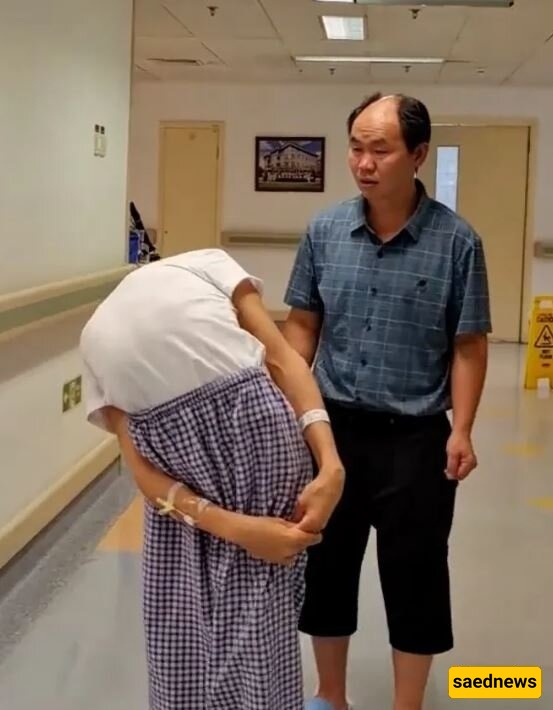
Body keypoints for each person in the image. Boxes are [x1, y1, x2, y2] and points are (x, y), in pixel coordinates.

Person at [282, 93, 491, 710]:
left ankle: (407, 705)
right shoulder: (324, 231)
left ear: (418, 154)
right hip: (333, 435)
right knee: (326, 567)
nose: (364, 163)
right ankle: (330, 697)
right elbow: (303, 326)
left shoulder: (457, 243)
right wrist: (290, 410)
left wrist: (463, 428)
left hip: (417, 440)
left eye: (381, 150)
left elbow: (469, 344)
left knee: (415, 575)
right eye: (356, 148)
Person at [79, 248, 345, 710]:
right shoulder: (203, 268)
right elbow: (282, 360)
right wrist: (325, 463)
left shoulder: (202, 268)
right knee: (245, 623)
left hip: (222, 471)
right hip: (238, 455)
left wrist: (331, 464)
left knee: (214, 623)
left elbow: (144, 472)